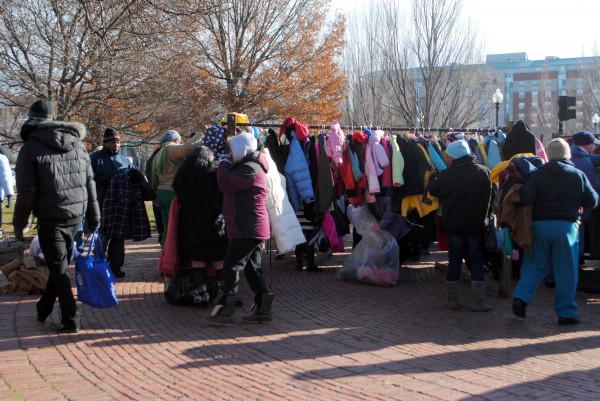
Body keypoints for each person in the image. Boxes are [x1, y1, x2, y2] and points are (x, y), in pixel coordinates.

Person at [13, 99, 100, 333]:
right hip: (75, 215)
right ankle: (44, 308)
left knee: (59, 268)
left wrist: (19, 225)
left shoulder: (30, 149)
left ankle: (71, 318)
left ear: (31, 119)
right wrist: (94, 216)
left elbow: (27, 192)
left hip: (51, 217)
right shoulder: (77, 145)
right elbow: (89, 182)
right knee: (58, 264)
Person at [512, 138, 598, 324]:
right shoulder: (578, 175)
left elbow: (525, 197)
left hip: (540, 225)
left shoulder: (539, 174)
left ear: (549, 154)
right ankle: (566, 312)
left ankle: (521, 297)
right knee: (566, 269)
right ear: (567, 153)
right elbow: (592, 201)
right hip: (567, 226)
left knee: (535, 263)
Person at [206, 132, 273, 326]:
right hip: (248, 225)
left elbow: (226, 183)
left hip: (248, 226)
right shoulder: (248, 166)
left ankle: (225, 310)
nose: (231, 154)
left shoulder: (250, 168)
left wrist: (223, 164)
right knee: (252, 268)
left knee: (231, 266)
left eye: (233, 150)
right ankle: (263, 308)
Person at [428, 139, 494, 312]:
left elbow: (433, 190)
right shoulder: (484, 172)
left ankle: (453, 300)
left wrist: (434, 176)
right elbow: (493, 196)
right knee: (476, 261)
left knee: (454, 261)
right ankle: (478, 303)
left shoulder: (447, 175)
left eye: (448, 156)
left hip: (454, 225)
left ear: (455, 157)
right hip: (476, 225)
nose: (447, 159)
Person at [172, 146, 228, 306]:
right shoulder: (214, 174)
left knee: (197, 261)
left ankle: (201, 297)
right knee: (219, 261)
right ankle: (226, 296)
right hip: (213, 222)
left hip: (189, 223)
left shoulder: (182, 174)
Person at [90, 128, 132, 278]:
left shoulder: (124, 160)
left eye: (118, 142)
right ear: (106, 142)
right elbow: (88, 177)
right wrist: (100, 180)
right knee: (103, 235)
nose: (116, 145)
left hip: (120, 203)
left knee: (118, 237)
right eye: (113, 142)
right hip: (102, 202)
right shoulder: (95, 158)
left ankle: (116, 267)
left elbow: (132, 176)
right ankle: (98, 263)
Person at [152, 130, 202, 246]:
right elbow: (187, 148)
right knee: (175, 228)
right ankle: (173, 258)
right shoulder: (171, 149)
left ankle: (165, 255)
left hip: (161, 192)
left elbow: (154, 177)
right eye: (179, 141)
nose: (180, 143)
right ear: (174, 140)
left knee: (167, 228)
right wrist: (199, 135)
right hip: (171, 193)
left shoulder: (159, 154)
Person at [569, 131, 600, 265]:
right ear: (587, 145)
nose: (593, 146)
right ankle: (570, 278)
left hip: (571, 207)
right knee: (577, 245)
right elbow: (594, 187)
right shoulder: (583, 162)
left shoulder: (576, 156)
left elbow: (590, 159)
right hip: (578, 209)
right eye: (592, 144)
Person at [145, 144, 164, 244]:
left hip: (155, 193)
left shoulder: (152, 158)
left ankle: (161, 240)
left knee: (160, 223)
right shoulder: (165, 156)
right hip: (164, 192)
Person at [0, 149, 14, 232]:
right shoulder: (2, 158)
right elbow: (6, 177)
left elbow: (6, 177)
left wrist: (9, 195)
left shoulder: (1, 158)